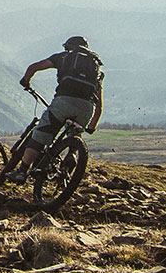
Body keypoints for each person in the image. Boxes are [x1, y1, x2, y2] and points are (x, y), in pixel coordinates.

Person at [9, 36, 104, 176]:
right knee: (75, 134)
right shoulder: (95, 69)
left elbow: (33, 67)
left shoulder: (63, 57)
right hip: (86, 108)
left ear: (68, 47)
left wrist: (25, 80)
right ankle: (72, 153)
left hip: (63, 102)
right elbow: (99, 104)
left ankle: (22, 171)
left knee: (40, 136)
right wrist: (91, 126)